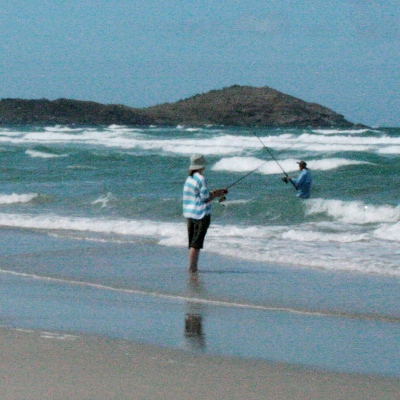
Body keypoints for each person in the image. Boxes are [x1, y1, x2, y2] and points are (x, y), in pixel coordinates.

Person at [183, 154, 228, 273]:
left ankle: (192, 268)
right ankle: (192, 269)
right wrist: (217, 194)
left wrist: (216, 192)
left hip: (190, 214)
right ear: (202, 166)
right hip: (201, 214)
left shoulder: (190, 178)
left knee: (193, 243)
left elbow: (199, 195)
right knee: (196, 244)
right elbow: (205, 198)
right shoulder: (201, 179)